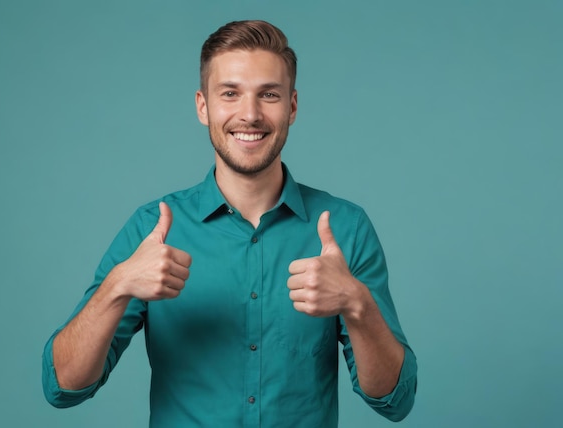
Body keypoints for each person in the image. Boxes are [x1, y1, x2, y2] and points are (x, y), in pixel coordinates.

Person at [42, 19, 417, 426]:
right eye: (230, 94)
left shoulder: (345, 228)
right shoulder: (153, 229)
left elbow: (393, 400)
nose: (250, 114)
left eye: (269, 94)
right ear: (204, 106)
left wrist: (358, 305)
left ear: (292, 106)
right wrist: (117, 288)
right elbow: (62, 387)